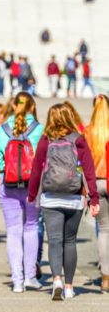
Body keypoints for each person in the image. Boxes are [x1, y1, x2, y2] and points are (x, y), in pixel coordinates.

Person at [28, 104, 99, 300]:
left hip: (50, 198)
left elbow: (36, 170)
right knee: (69, 241)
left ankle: (56, 279)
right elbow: (89, 170)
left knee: (55, 241)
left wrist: (32, 194)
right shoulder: (78, 139)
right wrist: (94, 197)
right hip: (74, 198)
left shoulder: (45, 140)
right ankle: (69, 286)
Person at [0, 92, 44, 292]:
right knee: (31, 228)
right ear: (32, 107)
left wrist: (7, 169)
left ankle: (17, 280)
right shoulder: (39, 129)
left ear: (13, 106)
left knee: (13, 231)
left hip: (8, 185)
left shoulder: (3, 129)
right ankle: (31, 276)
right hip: (32, 185)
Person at [84, 95, 109, 292]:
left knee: (104, 230)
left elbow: (83, 163)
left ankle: (106, 277)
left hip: (96, 183)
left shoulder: (88, 132)